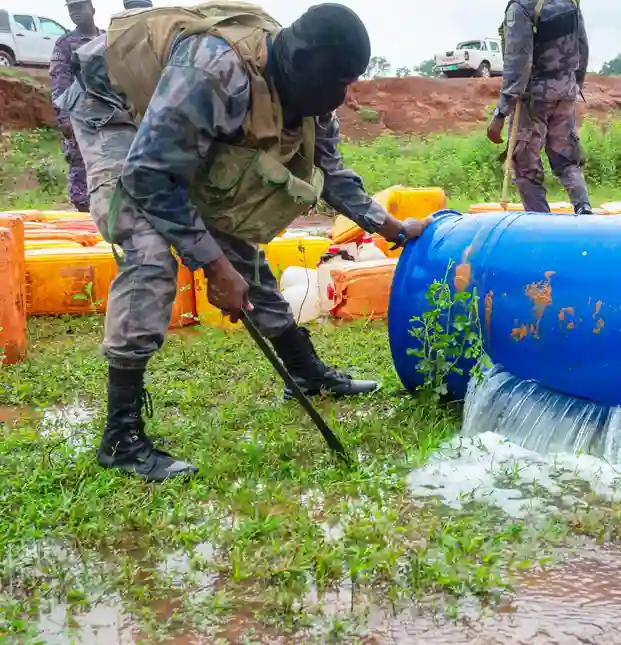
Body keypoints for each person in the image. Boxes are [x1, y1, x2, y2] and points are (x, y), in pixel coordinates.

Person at [56, 2, 431, 482]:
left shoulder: (312, 94)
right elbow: (150, 176)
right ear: (304, 65)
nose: (344, 94)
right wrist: (213, 267)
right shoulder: (215, 71)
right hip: (115, 106)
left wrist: (392, 228)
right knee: (150, 251)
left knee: (230, 231)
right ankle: (120, 434)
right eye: (339, 82)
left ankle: (303, 370)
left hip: (175, 115)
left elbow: (331, 173)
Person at [487, 0, 592, 215]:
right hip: (565, 90)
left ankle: (540, 224)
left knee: (525, 166)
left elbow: (518, 62)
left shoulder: (522, 8)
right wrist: (573, 85)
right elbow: (582, 47)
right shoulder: (569, 2)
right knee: (567, 158)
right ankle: (584, 208)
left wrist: (501, 113)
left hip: (534, 98)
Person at [50, 0, 103, 212]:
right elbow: (59, 83)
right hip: (79, 117)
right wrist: (64, 118)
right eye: (71, 9)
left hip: (109, 116)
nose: (75, 13)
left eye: (79, 7)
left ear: (92, 9)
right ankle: (84, 221)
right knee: (81, 175)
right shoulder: (65, 44)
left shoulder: (108, 38)